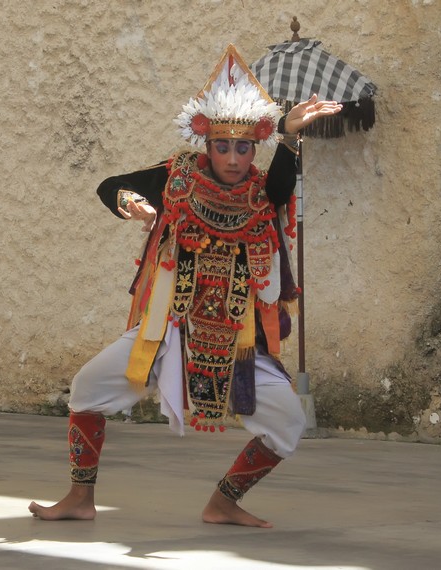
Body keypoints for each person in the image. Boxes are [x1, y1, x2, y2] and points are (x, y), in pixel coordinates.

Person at [29, 45, 342, 527]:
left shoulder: (262, 191)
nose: (234, 158)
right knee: (87, 388)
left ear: (255, 145)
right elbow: (111, 184)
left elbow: (281, 188)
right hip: (167, 331)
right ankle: (79, 497)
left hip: (238, 344)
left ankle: (223, 502)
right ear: (206, 142)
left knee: (288, 422)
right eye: (223, 146)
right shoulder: (177, 176)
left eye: (243, 147)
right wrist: (131, 201)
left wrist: (290, 134)